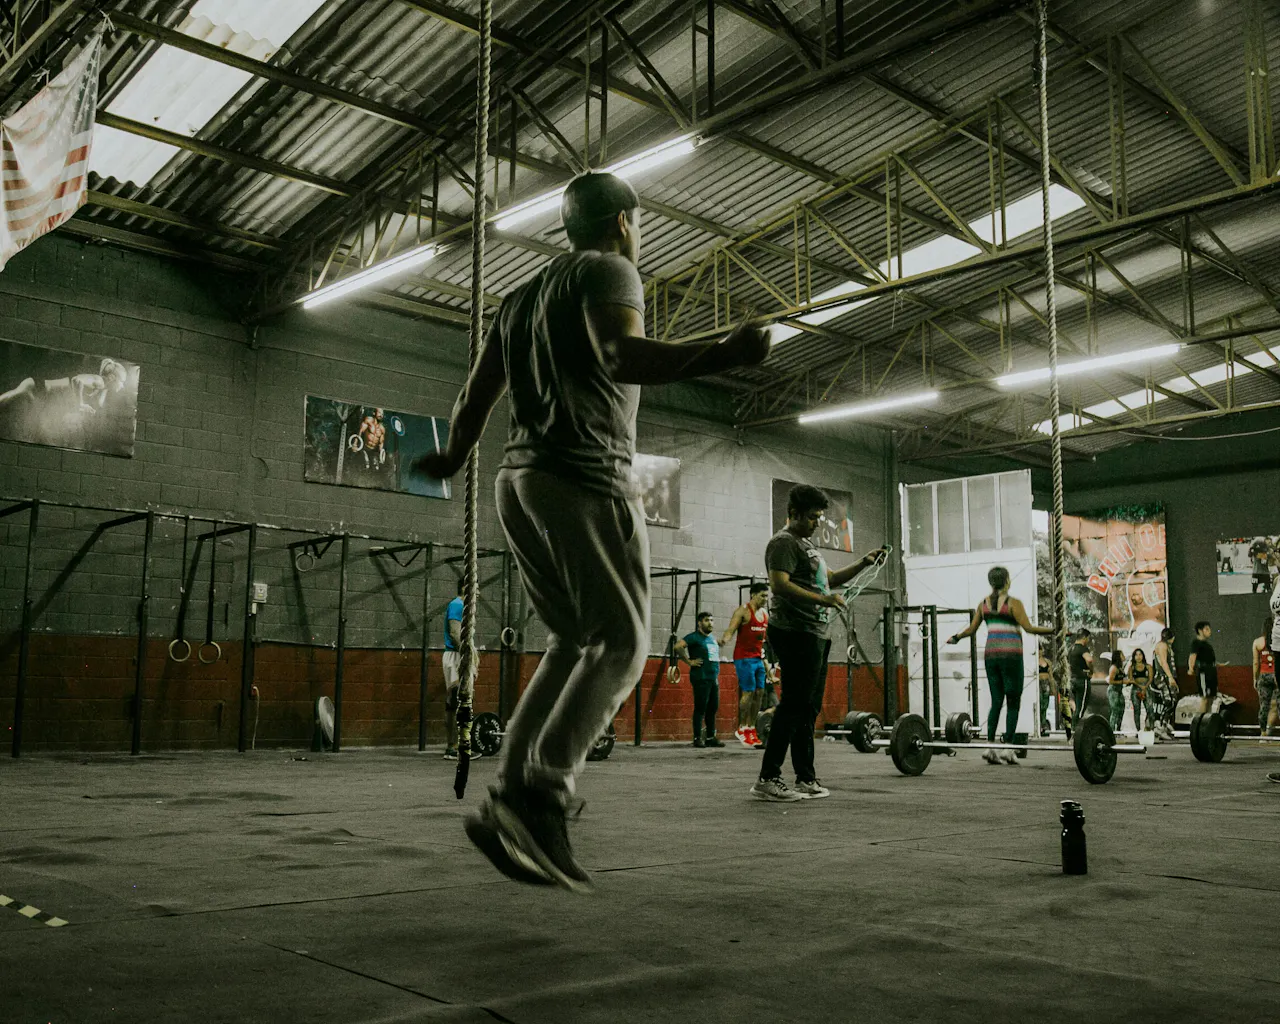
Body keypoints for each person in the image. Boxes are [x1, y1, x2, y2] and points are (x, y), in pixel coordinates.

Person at [414, 170, 771, 889]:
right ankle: (541, 795)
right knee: (625, 640)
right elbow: (620, 355)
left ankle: (511, 789)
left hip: (518, 483)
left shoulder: (518, 299)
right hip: (583, 473)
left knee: (574, 639)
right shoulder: (612, 270)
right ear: (623, 222)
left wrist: (452, 453)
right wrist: (727, 353)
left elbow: (476, 392)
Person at [751, 483, 887, 802]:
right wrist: (823, 600)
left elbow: (832, 579)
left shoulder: (807, 546)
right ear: (794, 514)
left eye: (819, 518)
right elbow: (780, 585)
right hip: (793, 631)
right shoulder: (783, 543)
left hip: (815, 633)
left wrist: (864, 562)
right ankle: (768, 778)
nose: (816, 523)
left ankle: (805, 778)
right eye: (812, 517)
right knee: (793, 703)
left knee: (807, 708)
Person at [947, 566, 1054, 764]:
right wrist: (1053, 630)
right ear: (1007, 581)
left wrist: (956, 637)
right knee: (1013, 701)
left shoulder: (983, 604)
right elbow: (1029, 628)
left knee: (997, 701)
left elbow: (971, 629)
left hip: (991, 655)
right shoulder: (1013, 604)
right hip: (1011, 655)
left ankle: (989, 748)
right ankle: (1008, 748)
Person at [722, 582, 769, 747]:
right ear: (753, 595)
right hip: (743, 658)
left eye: (767, 596)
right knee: (748, 693)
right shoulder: (743, 611)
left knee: (760, 692)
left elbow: (767, 638)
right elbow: (731, 630)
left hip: (758, 659)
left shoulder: (764, 614)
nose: (765, 599)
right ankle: (741, 728)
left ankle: (751, 727)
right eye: (762, 595)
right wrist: (725, 639)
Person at [441, 579, 480, 761]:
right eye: (476, 588)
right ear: (466, 588)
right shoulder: (458, 605)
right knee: (457, 701)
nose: (478, 593)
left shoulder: (461, 605)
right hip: (456, 656)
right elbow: (455, 632)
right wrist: (469, 653)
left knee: (457, 701)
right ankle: (454, 747)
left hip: (458, 656)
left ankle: (456, 746)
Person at [674, 611, 724, 748]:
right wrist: (689, 662)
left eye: (712, 620)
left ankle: (710, 737)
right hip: (701, 678)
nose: (710, 623)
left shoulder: (712, 638)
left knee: (712, 708)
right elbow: (677, 646)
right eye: (707, 620)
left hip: (713, 678)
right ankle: (697, 738)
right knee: (700, 708)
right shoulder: (694, 637)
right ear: (699, 623)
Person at [1150, 627, 1179, 740]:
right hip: (1163, 677)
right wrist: (1170, 677)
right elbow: (1163, 662)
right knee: (1169, 701)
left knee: (1173, 700)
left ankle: (1165, 724)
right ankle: (1159, 726)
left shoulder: (1166, 646)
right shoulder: (1162, 645)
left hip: (1167, 676)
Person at [1189, 620, 1218, 715]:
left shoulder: (1207, 645)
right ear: (1200, 631)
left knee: (1211, 697)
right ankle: (1200, 722)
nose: (1209, 631)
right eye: (1207, 629)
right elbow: (1192, 656)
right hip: (1203, 673)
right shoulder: (1196, 643)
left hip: (1211, 672)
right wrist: (1191, 668)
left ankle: (1207, 720)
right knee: (1205, 698)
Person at [1253, 617, 1276, 736]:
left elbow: (1256, 663)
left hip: (1263, 675)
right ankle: (1270, 731)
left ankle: (1263, 734)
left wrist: (1255, 679)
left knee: (1264, 706)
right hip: (1277, 676)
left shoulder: (1257, 642)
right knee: (1276, 706)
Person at [1066, 629, 1094, 728]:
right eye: (1088, 638)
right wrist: (1091, 671)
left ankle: (1073, 729)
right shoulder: (1083, 648)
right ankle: (1076, 731)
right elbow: (1089, 660)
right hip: (1082, 680)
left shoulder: (1071, 649)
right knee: (1081, 709)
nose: (1088, 641)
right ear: (1084, 638)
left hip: (1072, 680)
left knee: (1075, 708)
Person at [1128, 648, 1151, 733]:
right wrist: (1140, 687)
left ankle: (1149, 728)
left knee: (1150, 709)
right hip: (1136, 689)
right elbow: (1131, 679)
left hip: (1146, 688)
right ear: (1134, 657)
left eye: (1140, 654)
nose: (1138, 657)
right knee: (1137, 711)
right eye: (1136, 655)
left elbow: (1150, 678)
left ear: (1143, 656)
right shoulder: (1131, 668)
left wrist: (1145, 687)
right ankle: (1138, 731)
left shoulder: (1148, 666)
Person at [1105, 649, 1128, 734]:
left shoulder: (1120, 668)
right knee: (1114, 711)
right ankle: (1111, 731)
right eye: (1122, 654)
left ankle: (1118, 730)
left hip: (1119, 691)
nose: (1124, 656)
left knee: (1121, 710)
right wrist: (1123, 682)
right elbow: (1110, 681)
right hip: (1113, 691)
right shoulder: (1113, 668)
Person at [1037, 644, 1052, 736]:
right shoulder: (1033, 661)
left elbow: (1051, 676)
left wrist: (1053, 687)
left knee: (1045, 706)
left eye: (1040, 650)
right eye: (1037, 650)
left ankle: (1043, 725)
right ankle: (1039, 726)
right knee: (1039, 703)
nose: (1039, 652)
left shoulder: (1047, 662)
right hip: (1037, 684)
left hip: (1046, 683)